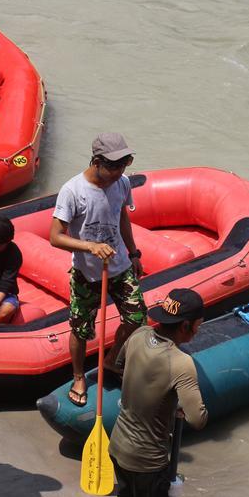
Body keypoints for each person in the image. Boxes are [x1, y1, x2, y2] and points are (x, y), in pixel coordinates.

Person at [109, 288, 209, 497]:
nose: (198, 329)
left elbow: (119, 365)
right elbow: (197, 419)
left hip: (119, 441)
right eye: (198, 324)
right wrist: (179, 403)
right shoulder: (181, 363)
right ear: (185, 326)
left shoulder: (138, 335)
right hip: (147, 458)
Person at [50, 132, 148, 407]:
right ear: (97, 162)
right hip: (87, 272)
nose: (120, 171)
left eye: (124, 165)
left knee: (137, 318)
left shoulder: (122, 183)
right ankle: (79, 376)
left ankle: (113, 360)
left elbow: (122, 216)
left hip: (121, 267)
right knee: (81, 330)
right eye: (114, 166)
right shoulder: (73, 191)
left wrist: (134, 252)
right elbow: (55, 236)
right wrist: (89, 247)